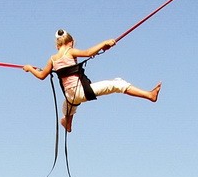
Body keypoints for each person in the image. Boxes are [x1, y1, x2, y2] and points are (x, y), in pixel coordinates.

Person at [23, 30, 161, 133]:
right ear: (70, 42)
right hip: (81, 92)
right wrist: (105, 43)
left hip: (70, 95)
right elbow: (89, 52)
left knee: (68, 105)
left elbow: (41, 75)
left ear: (57, 46)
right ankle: (149, 95)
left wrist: (29, 68)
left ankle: (68, 123)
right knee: (117, 83)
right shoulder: (70, 51)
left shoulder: (52, 58)